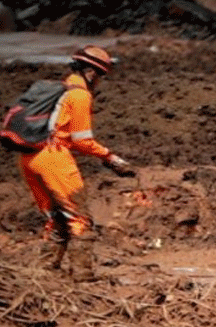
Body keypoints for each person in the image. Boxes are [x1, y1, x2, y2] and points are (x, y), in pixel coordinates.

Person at [19, 45, 134, 280]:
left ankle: (44, 272)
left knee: (56, 217)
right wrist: (110, 157)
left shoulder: (57, 90)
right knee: (79, 218)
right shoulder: (79, 95)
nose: (100, 81)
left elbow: (60, 132)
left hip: (28, 158)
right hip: (53, 159)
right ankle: (83, 274)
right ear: (91, 73)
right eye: (101, 76)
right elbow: (83, 141)